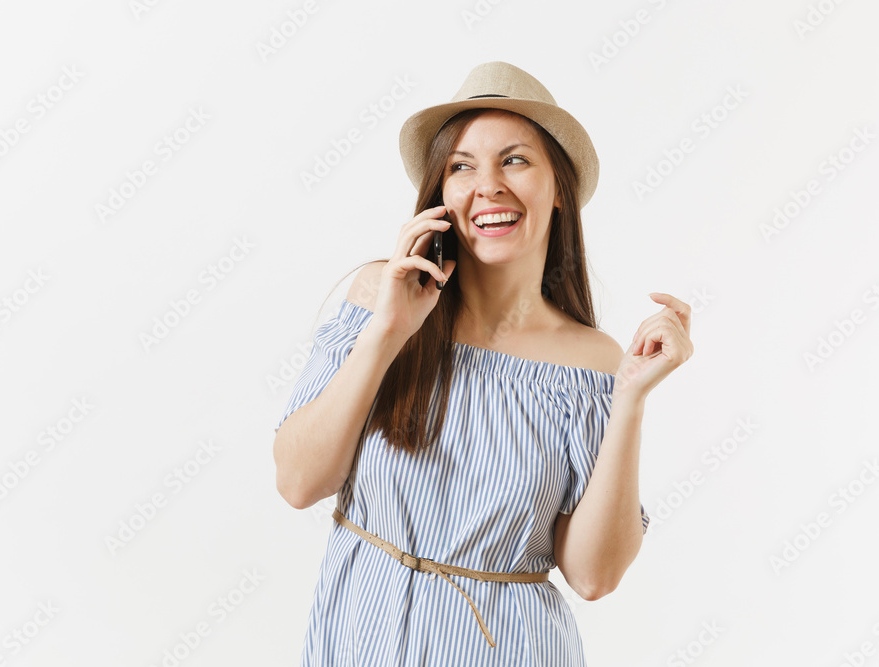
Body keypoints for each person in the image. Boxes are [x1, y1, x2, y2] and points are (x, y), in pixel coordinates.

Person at [273, 61, 694, 666]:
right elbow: (297, 482)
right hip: (358, 640)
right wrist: (390, 330)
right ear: (440, 194)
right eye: (462, 166)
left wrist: (629, 401)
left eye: (516, 161)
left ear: (559, 191)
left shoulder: (593, 363)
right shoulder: (378, 298)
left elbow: (594, 577)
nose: (488, 186)